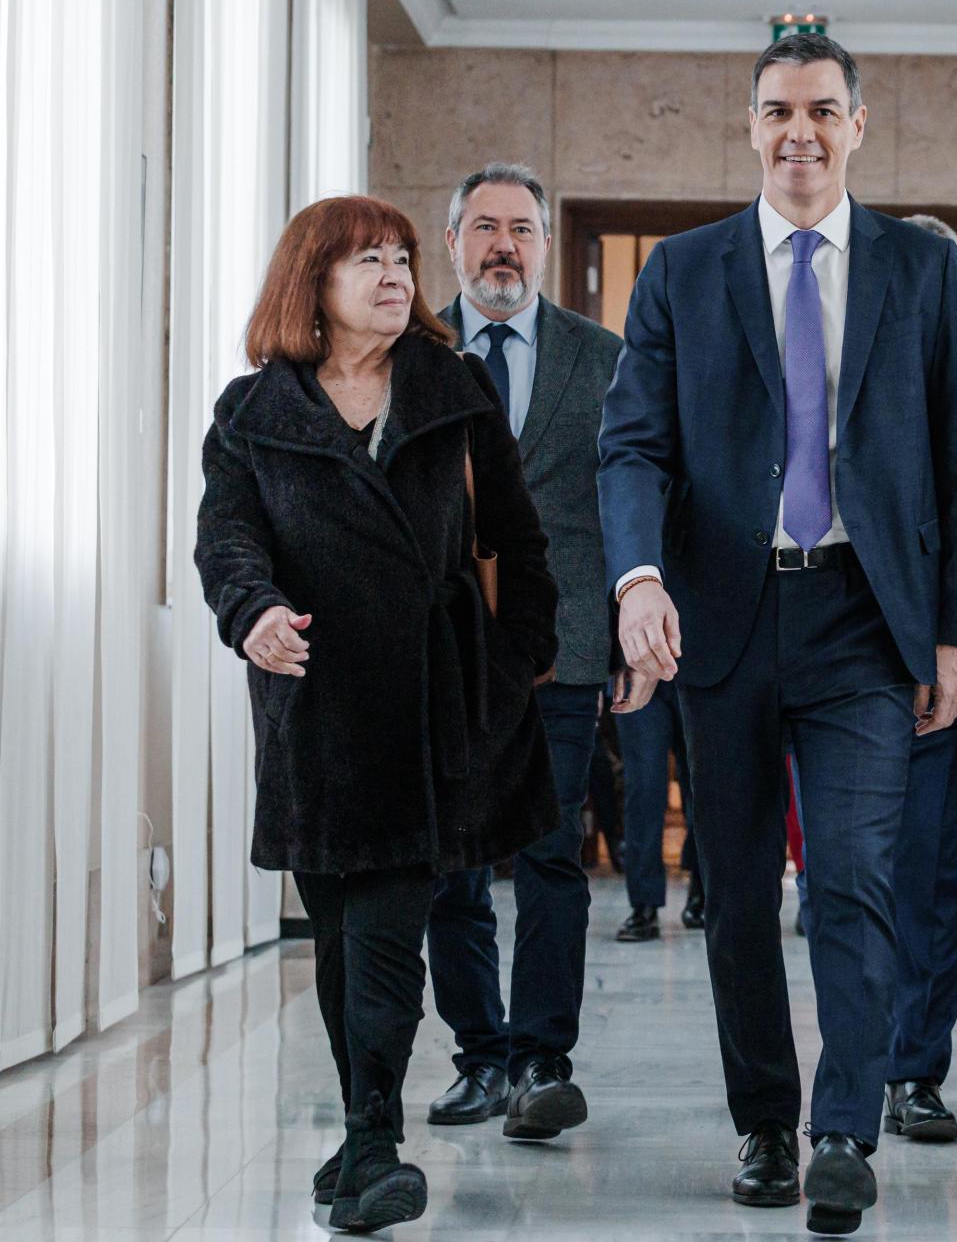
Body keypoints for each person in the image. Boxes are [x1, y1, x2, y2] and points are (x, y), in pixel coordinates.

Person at [598, 33, 957, 1236]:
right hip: (721, 612)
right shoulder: (683, 270)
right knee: (731, 884)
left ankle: (841, 1127)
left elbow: (956, 463)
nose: (799, 132)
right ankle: (764, 1119)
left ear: (858, 124)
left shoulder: (920, 268)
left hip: (865, 618)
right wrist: (636, 578)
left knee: (858, 877)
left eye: (823, 109)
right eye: (777, 111)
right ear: (751, 124)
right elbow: (632, 443)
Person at [194, 195, 560, 1232]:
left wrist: (507, 668)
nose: (396, 274)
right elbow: (226, 541)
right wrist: (252, 612)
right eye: (369, 260)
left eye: (403, 257)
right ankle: (361, 1131)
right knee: (342, 927)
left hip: (430, 702)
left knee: (392, 919)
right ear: (312, 281)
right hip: (311, 707)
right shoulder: (252, 411)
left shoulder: (454, 387)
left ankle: (374, 1142)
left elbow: (520, 546)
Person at [422, 162, 650, 1141]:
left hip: (561, 650)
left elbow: (629, 497)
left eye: (519, 226)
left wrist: (630, 625)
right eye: (483, 226)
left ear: (545, 243)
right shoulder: (403, 352)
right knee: (449, 869)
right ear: (453, 242)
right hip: (435, 657)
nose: (502, 244)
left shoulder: (600, 356)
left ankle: (540, 1059)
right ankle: (479, 1055)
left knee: (552, 856)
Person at [871, 213, 957, 1146]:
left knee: (927, 875)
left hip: (942, 670)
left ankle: (915, 1069)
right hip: (843, 662)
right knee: (848, 877)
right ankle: (849, 1066)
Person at [613, 677, 703, 939]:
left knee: (702, 784)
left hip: (699, 663)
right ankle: (643, 903)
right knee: (644, 786)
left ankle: (703, 886)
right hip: (635, 663)